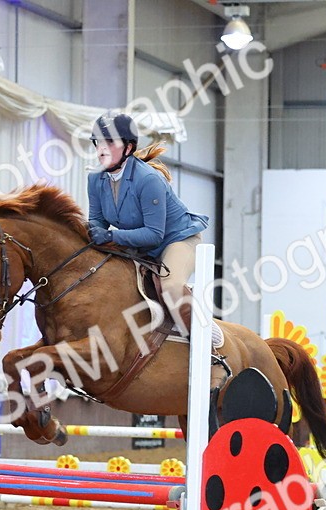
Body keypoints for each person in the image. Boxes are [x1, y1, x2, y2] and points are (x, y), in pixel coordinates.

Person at [86, 112, 228, 387]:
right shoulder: (96, 180)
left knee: (170, 285)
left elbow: (153, 234)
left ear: (127, 148)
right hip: (137, 243)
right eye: (98, 143)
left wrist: (111, 235)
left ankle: (209, 353)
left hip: (175, 240)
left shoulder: (148, 179)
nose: (101, 150)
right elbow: (96, 221)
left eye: (109, 144)